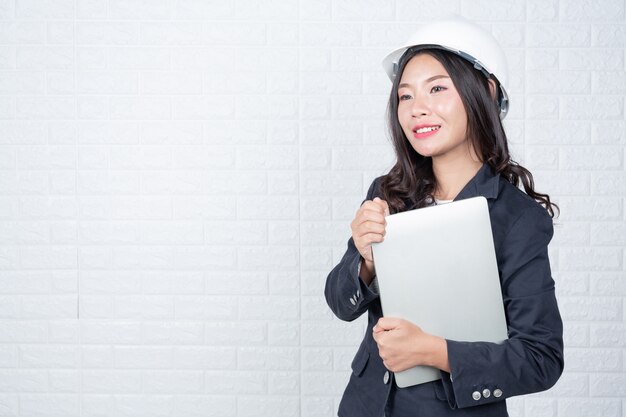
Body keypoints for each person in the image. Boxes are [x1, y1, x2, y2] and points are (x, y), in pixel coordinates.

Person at [324, 16, 564, 417]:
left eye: (437, 88)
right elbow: (340, 303)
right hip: (364, 407)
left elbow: (541, 358)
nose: (418, 109)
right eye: (405, 96)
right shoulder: (388, 193)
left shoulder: (517, 218)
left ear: (485, 92)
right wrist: (365, 261)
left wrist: (433, 351)